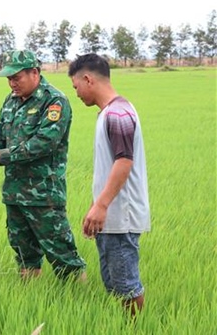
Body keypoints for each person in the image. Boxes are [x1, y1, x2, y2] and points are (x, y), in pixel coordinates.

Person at [0, 49, 86, 280]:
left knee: (63, 255)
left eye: (16, 78)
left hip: (43, 194)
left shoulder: (54, 101)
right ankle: (29, 293)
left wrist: (0, 156)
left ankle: (80, 298)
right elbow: (0, 134)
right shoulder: (11, 101)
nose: (11, 84)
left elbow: (43, 143)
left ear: (34, 73)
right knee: (24, 255)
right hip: (15, 193)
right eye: (9, 78)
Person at [68, 53, 150, 316]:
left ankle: (135, 330)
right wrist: (95, 206)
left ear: (88, 79)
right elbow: (107, 166)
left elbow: (124, 162)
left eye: (76, 86)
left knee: (127, 285)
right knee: (115, 284)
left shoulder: (118, 114)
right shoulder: (108, 113)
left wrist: (101, 205)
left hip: (121, 216)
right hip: (110, 215)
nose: (77, 93)